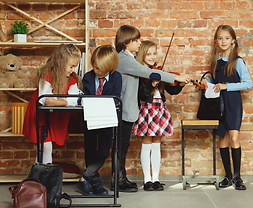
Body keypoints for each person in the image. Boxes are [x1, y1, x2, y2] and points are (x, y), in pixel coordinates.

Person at [114, 25, 190, 192]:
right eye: (136, 40)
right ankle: (130, 180)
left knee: (132, 145)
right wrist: (174, 76)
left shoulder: (131, 60)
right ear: (126, 42)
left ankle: (148, 179)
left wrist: (179, 83)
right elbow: (145, 84)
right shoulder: (127, 60)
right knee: (123, 145)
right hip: (137, 109)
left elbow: (171, 88)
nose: (139, 42)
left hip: (156, 111)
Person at [201, 25, 253, 190]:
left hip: (233, 103)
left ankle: (237, 177)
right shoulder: (215, 61)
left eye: (227, 38)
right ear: (216, 41)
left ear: (233, 41)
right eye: (220, 38)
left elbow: (248, 83)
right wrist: (207, 82)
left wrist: (226, 86)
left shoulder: (237, 61)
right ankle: (228, 176)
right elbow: (216, 82)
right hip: (218, 104)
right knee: (222, 139)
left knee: (234, 138)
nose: (223, 41)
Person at [133, 41, 187, 191]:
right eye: (148, 54)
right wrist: (151, 84)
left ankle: (156, 178)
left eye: (154, 53)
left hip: (160, 110)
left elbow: (173, 91)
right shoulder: (141, 74)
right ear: (141, 55)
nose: (152, 57)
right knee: (146, 144)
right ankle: (147, 179)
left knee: (157, 145)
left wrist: (181, 84)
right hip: (147, 110)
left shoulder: (159, 73)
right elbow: (142, 96)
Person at [23, 44, 81, 164]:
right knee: (45, 146)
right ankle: (43, 175)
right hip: (41, 113)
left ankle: (38, 174)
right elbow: (45, 100)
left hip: (55, 113)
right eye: (71, 66)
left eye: (75, 66)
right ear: (61, 61)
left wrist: (57, 102)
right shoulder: (47, 74)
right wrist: (61, 102)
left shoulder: (73, 79)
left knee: (44, 147)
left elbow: (74, 99)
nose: (73, 70)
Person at [76, 45, 122, 196]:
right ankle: (93, 182)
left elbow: (116, 99)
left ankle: (85, 178)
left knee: (103, 151)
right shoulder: (88, 77)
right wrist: (81, 101)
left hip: (106, 120)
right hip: (89, 119)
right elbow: (81, 97)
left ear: (111, 67)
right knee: (89, 149)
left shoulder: (117, 78)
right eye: (96, 68)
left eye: (103, 70)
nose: (99, 72)